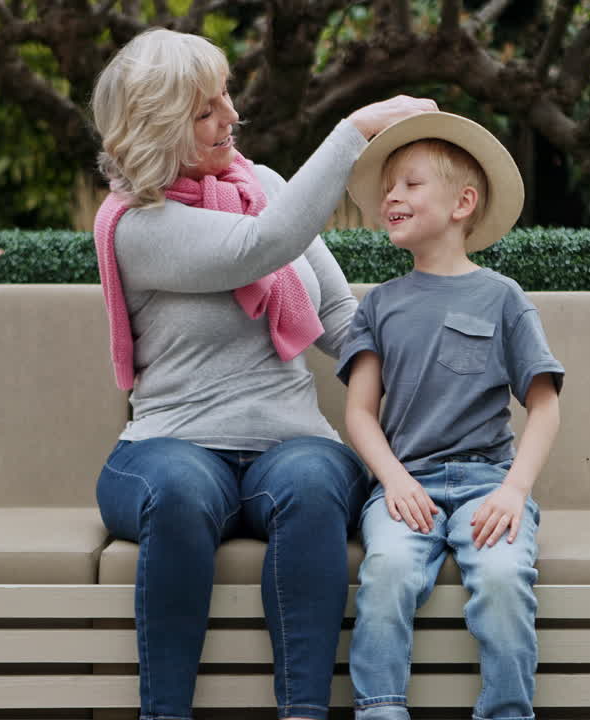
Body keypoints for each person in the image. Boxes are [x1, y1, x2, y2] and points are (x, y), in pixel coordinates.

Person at [88, 28, 435, 720]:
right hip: (170, 443)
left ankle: (303, 714)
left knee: (312, 482)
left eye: (227, 97)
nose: (231, 117)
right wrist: (354, 131)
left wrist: (431, 361)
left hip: (289, 438)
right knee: (182, 491)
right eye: (207, 111)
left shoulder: (265, 188)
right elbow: (258, 247)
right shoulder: (135, 224)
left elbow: (338, 312)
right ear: (158, 128)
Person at [337, 112, 565, 720]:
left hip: (489, 486)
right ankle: (380, 712)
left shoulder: (504, 297)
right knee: (383, 574)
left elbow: (543, 405)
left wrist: (516, 492)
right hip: (404, 486)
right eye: (388, 188)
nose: (392, 196)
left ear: (463, 203)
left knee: (501, 580)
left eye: (410, 184)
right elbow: (359, 411)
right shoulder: (378, 306)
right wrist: (394, 480)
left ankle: (507, 713)